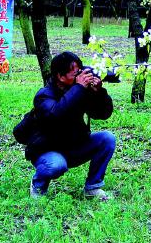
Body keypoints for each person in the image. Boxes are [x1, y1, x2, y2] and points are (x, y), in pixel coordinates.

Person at [25, 51, 116, 200]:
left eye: (80, 71)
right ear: (60, 76)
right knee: (56, 165)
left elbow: (102, 114)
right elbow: (55, 115)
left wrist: (99, 93)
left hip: (74, 147)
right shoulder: (44, 96)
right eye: (75, 74)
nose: (80, 77)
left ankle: (92, 188)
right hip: (48, 151)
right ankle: (38, 185)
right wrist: (79, 88)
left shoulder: (81, 90)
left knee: (107, 138)